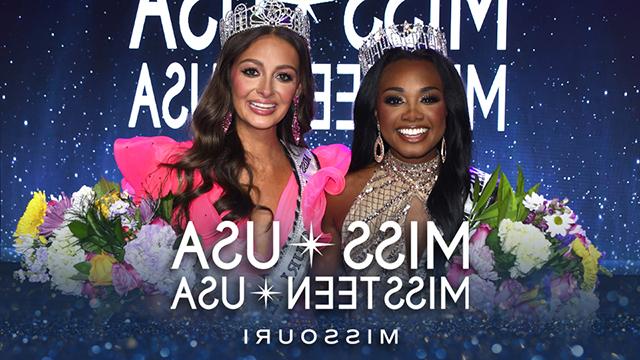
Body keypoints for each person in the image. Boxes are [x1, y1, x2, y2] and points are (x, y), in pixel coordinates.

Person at [114, 1, 349, 310]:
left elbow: (329, 303)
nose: (266, 90)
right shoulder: (175, 171)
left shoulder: (321, 176)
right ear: (228, 77)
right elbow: (139, 295)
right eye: (252, 71)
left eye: (283, 76)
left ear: (300, 88)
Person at [318, 23, 474, 301]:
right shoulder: (341, 196)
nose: (412, 115)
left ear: (447, 110)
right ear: (376, 113)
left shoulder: (485, 194)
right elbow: (320, 308)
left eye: (427, 98)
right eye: (395, 100)